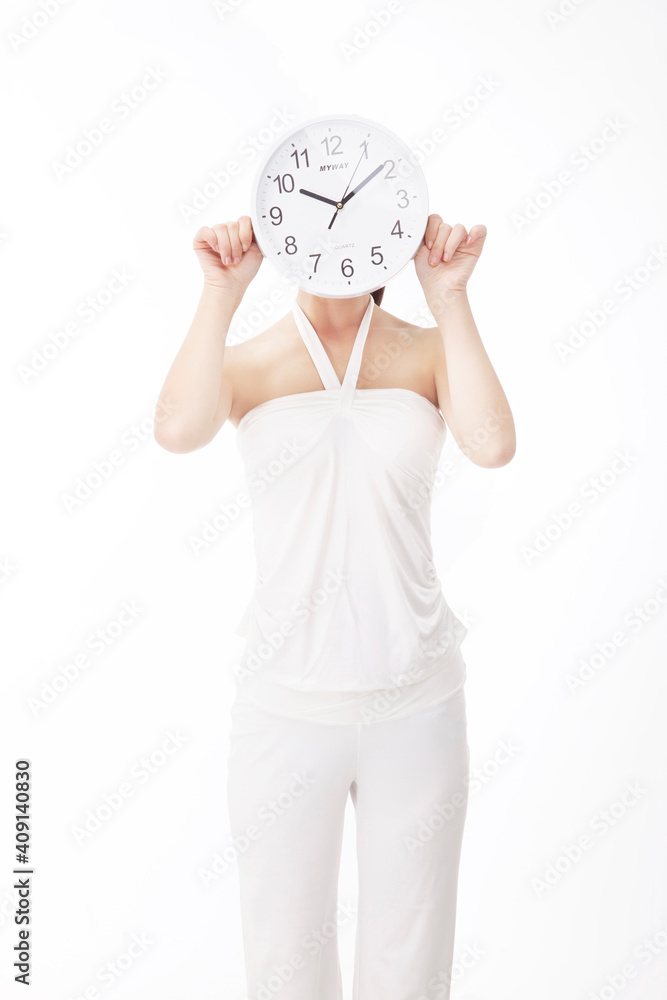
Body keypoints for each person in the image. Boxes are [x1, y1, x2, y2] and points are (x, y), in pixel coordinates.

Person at [154, 213, 515, 1000]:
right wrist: (220, 293)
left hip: (415, 703)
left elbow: (491, 443)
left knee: (411, 960)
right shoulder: (248, 362)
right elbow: (177, 430)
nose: (336, 238)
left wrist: (448, 297)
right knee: (283, 960)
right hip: (284, 710)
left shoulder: (424, 351)